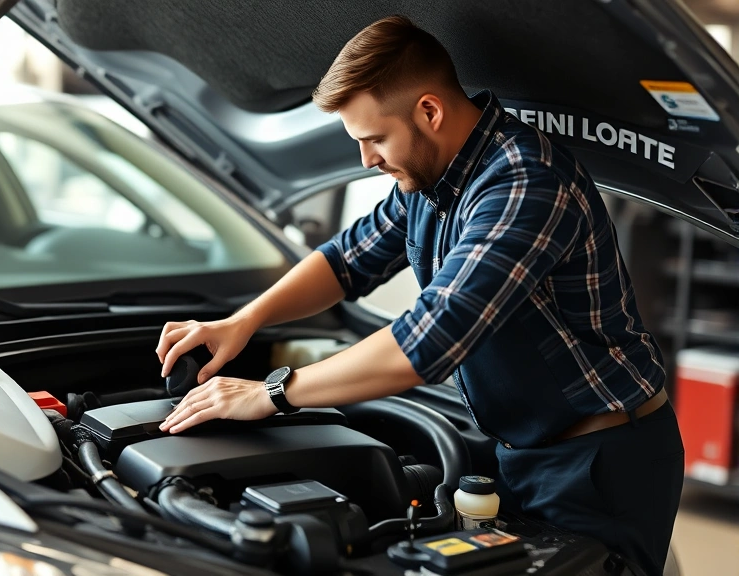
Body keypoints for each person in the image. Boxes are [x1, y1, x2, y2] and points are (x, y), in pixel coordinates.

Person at [155, 15, 683, 576]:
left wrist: (273, 393)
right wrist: (243, 321)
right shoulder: (433, 181)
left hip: (600, 461)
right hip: (523, 450)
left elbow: (428, 341)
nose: (367, 159)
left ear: (429, 111)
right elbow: (344, 262)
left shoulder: (525, 183)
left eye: (375, 138)